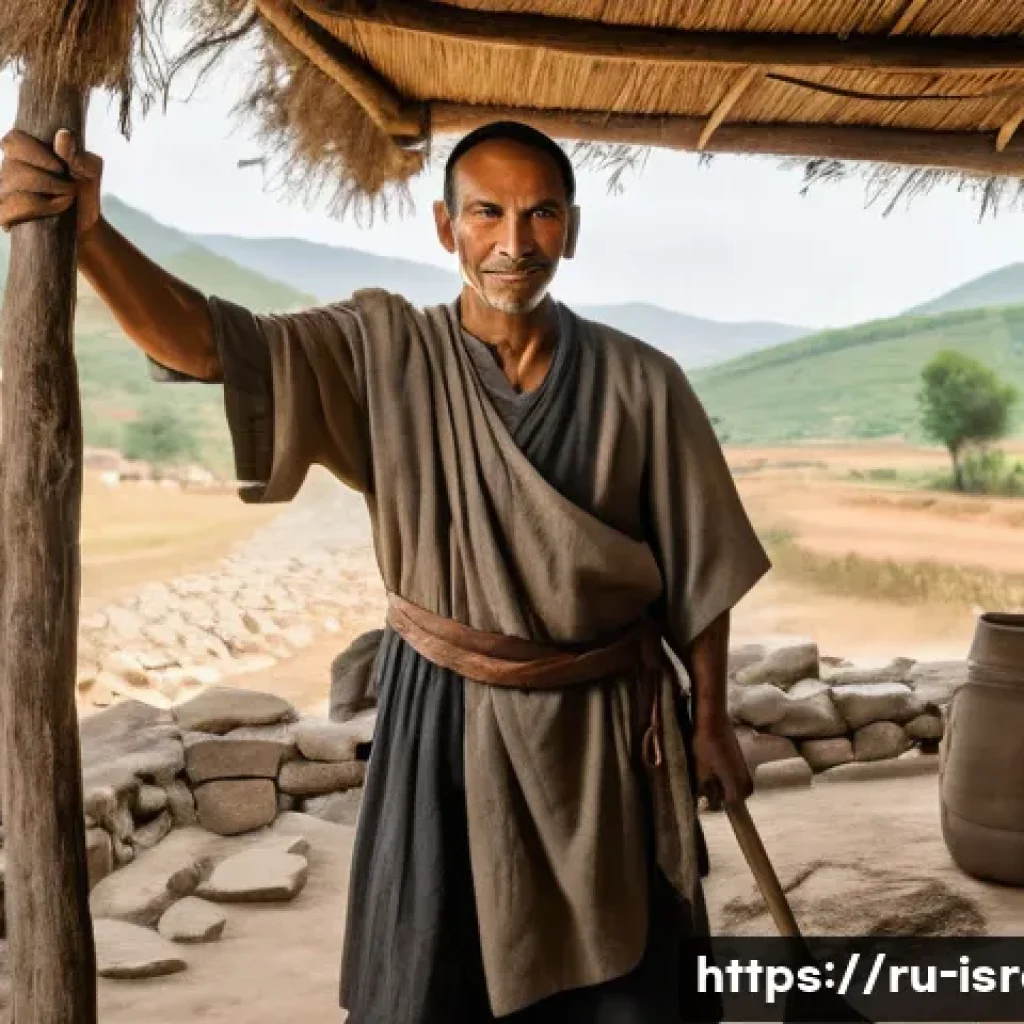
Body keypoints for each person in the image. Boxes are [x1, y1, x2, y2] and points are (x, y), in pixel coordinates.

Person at [0, 120, 771, 1023]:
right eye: (487, 213)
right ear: (446, 228)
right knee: (440, 972)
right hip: (442, 713)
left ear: (571, 226)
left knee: (627, 982)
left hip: (603, 725)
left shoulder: (645, 381)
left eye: (540, 215)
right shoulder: (381, 353)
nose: (514, 243)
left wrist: (709, 721)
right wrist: (91, 233)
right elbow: (211, 345)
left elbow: (699, 566)